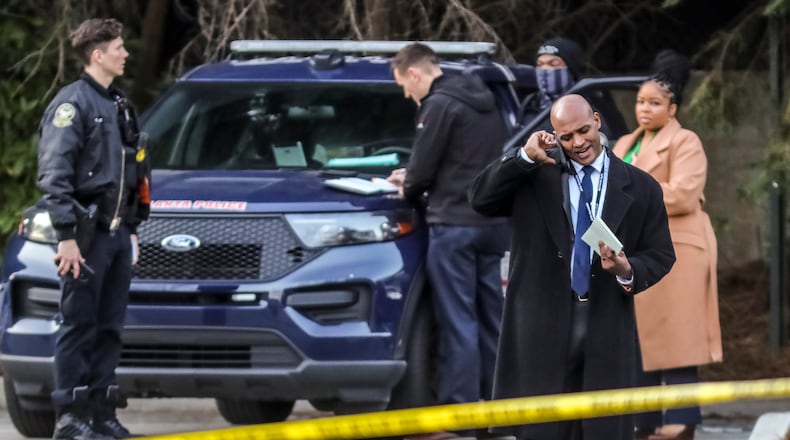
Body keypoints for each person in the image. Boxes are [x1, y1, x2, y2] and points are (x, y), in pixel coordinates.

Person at [469, 94, 676, 440]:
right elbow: (479, 199)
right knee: (542, 432)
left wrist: (627, 268)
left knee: (601, 431)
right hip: (541, 324)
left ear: (597, 120)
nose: (578, 143)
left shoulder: (641, 187)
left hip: (605, 324)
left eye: (583, 131)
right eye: (566, 137)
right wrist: (523, 158)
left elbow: (661, 254)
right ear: (554, 136)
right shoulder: (535, 173)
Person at [386, 42, 510, 439]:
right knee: (492, 318)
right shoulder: (487, 102)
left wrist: (406, 183)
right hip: (492, 224)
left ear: (416, 73)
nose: (406, 94)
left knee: (458, 320)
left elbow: (422, 172)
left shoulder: (439, 106)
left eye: (404, 85)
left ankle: (459, 415)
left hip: (452, 225)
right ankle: (497, 409)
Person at [37, 18, 149, 440]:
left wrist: (133, 227)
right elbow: (55, 174)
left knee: (109, 327)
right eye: (118, 48)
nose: (124, 53)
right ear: (97, 55)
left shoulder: (120, 103)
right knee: (78, 324)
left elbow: (134, 169)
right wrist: (66, 236)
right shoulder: (73, 105)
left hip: (118, 235)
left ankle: (101, 413)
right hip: (85, 237)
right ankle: (71, 416)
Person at [613, 49, 722, 440]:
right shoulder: (626, 142)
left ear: (672, 108)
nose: (644, 109)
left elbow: (684, 195)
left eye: (654, 103)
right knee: (640, 338)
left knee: (678, 340)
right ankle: (644, 420)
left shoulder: (686, 142)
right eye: (641, 102)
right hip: (638, 250)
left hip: (679, 252)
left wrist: (634, 192)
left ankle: (680, 423)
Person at [519, 37, 585, 127]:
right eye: (540, 64)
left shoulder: (586, 104)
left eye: (553, 64)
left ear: (571, 70)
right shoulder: (530, 104)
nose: (545, 69)